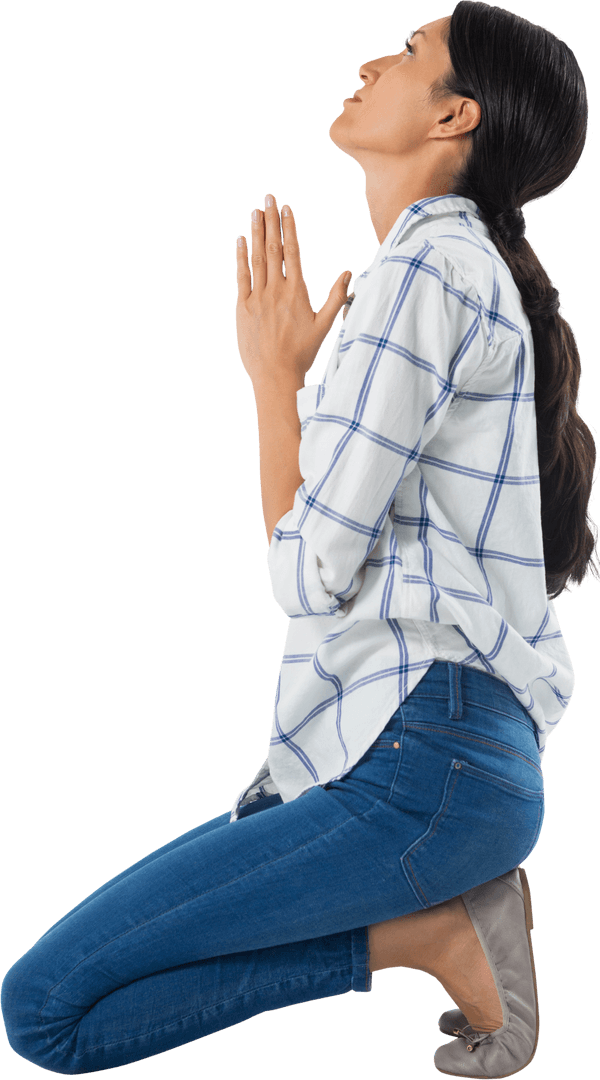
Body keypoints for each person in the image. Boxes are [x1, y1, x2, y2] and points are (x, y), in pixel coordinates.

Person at [1, 3, 597, 1076]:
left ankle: (435, 936)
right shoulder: (451, 277)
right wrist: (287, 386)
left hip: (426, 764)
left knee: (45, 1008)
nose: (372, 60)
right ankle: (440, 926)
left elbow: (308, 572)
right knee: (57, 1015)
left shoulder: (424, 273)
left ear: (454, 114)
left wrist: (274, 385)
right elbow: (337, 557)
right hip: (449, 760)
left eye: (409, 53)